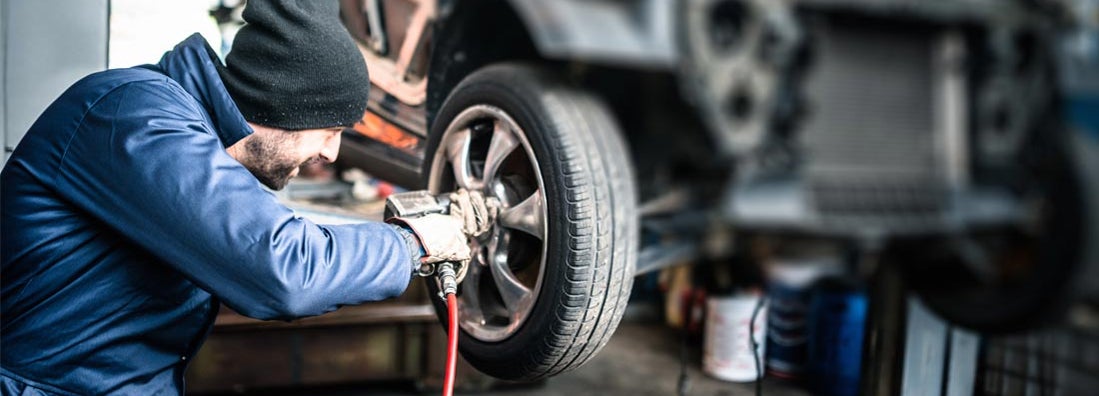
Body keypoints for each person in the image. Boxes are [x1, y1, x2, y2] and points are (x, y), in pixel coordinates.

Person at [0, 1, 483, 394]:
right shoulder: (136, 115)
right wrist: (411, 243)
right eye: (332, 129)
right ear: (285, 103)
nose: (332, 153)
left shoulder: (191, 140)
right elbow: (281, 269)